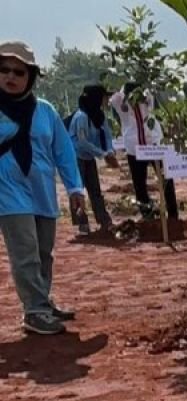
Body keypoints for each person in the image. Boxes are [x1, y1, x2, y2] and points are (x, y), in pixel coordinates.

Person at [0, 41, 85, 335]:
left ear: (31, 77)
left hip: (42, 191)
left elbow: (64, 152)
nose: (10, 76)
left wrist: (75, 188)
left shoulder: (45, 111)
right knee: (25, 252)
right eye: (4, 70)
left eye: (19, 72)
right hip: (7, 193)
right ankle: (34, 310)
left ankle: (42, 301)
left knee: (44, 252)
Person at [110, 82, 178, 220]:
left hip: (154, 142)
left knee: (165, 178)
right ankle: (147, 212)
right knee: (139, 182)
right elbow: (115, 112)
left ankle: (172, 213)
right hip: (134, 146)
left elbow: (159, 111)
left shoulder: (148, 97)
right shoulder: (118, 100)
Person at [68, 84, 118, 234]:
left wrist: (109, 151)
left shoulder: (100, 116)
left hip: (89, 157)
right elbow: (82, 142)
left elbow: (107, 136)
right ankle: (82, 223)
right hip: (76, 156)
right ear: (96, 99)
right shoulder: (81, 117)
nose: (106, 101)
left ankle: (104, 221)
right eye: (104, 97)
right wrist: (102, 155)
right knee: (78, 190)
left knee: (95, 189)